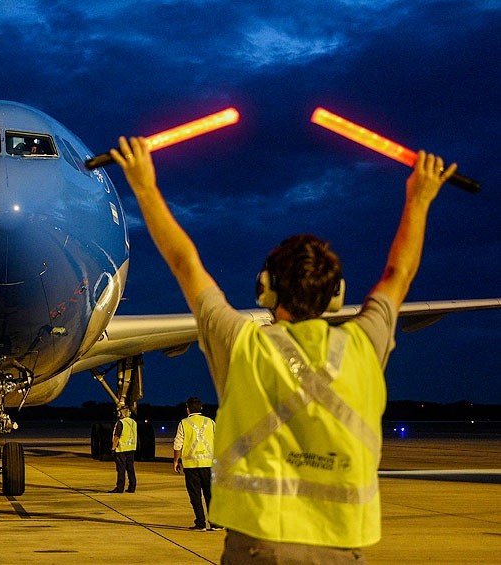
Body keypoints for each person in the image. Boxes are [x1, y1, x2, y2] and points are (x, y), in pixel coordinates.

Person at [112, 136, 455, 563]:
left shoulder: (243, 345)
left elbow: (186, 263)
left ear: (264, 290)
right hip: (340, 550)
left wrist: (143, 186)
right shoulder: (363, 346)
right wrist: (420, 198)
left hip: (259, 549)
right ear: (337, 296)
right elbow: (397, 274)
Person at [173, 397, 221, 531]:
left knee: (195, 496)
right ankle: (215, 523)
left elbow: (178, 443)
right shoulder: (210, 422)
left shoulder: (183, 423)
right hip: (208, 465)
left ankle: (200, 523)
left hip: (191, 465)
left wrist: (176, 460)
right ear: (201, 408)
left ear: (188, 409)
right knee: (210, 494)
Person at [110, 406, 137, 493]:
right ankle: (132, 487)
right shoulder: (133, 422)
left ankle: (120, 488)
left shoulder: (121, 423)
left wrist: (113, 448)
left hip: (121, 449)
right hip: (131, 448)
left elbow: (116, 437)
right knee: (130, 468)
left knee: (121, 469)